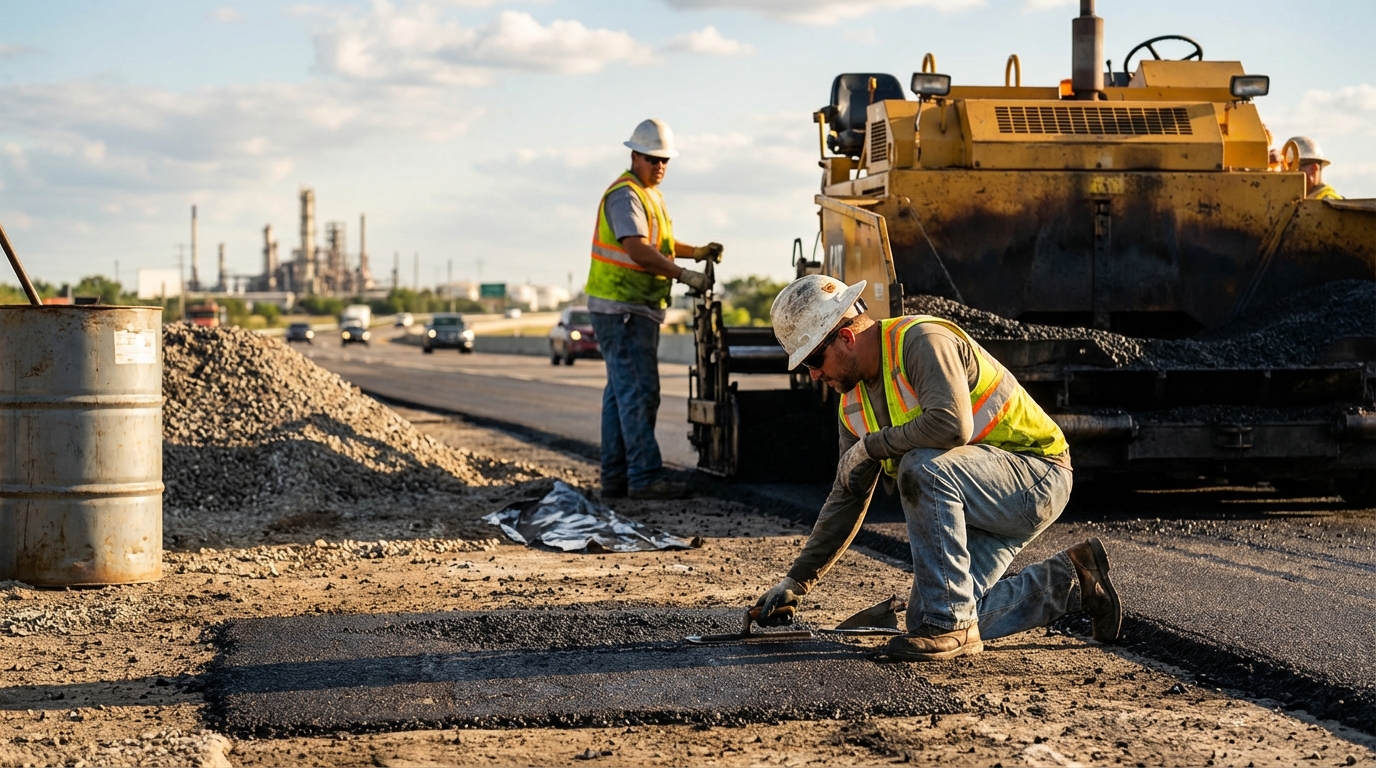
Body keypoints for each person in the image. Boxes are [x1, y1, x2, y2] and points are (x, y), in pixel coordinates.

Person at [754, 275, 1122, 661]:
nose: (813, 374)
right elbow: (847, 494)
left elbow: (951, 425)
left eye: (813, 359)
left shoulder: (920, 340)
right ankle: (1076, 581)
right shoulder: (852, 404)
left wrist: (872, 446)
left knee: (921, 467)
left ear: (845, 337)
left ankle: (954, 627)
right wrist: (797, 581)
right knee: (927, 616)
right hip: (975, 499)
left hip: (1035, 478)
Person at [586, 118, 722, 501]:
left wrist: (696, 252)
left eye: (664, 160)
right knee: (639, 392)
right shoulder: (626, 194)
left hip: (629, 308)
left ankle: (615, 480)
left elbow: (658, 242)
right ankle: (644, 477)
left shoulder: (648, 195)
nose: (659, 166)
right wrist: (686, 275)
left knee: (620, 394)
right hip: (623, 310)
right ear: (634, 155)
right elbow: (638, 250)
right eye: (652, 159)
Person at [1286, 136, 1343, 200]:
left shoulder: (1328, 201)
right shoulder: (1303, 200)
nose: (1289, 177)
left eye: (1294, 170)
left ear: (1313, 168)